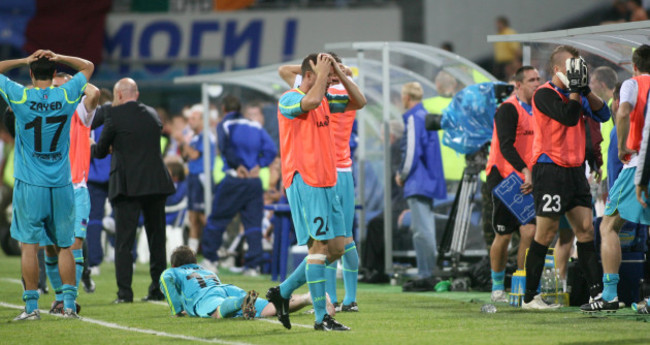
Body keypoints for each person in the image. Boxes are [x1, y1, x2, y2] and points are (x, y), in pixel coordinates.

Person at [267, 53, 366, 331]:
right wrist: (324, 74)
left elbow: (359, 101)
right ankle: (321, 317)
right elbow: (308, 102)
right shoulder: (289, 98)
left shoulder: (326, 100)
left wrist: (341, 74)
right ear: (309, 74)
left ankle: (284, 291)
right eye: (324, 73)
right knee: (318, 247)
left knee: (336, 248)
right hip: (304, 181)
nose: (329, 79)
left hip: (327, 181)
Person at [0, 49, 94, 320]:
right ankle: (67, 305)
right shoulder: (65, 94)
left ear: (31, 74)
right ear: (54, 74)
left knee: (29, 246)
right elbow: (88, 65)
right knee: (65, 246)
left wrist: (23, 60)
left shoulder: (20, 95)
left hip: (30, 184)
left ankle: (31, 308)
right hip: (62, 183)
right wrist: (60, 56)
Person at [523, 45, 610, 310]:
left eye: (579, 66)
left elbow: (604, 114)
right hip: (549, 169)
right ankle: (529, 297)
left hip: (574, 170)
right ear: (558, 69)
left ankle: (597, 295)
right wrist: (576, 90)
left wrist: (584, 89)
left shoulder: (577, 94)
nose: (577, 71)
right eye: (573, 66)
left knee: (584, 231)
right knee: (546, 232)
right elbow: (570, 118)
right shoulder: (543, 94)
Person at [91, 78, 176, 304]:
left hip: (128, 185)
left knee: (124, 242)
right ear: (136, 94)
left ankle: (125, 294)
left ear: (118, 95)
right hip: (156, 183)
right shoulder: (152, 114)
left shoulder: (113, 115)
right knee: (157, 240)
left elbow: (100, 151)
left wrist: (97, 146)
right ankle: (157, 290)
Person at [584, 45, 650, 312]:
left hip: (638, 162)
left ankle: (609, 294)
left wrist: (622, 145)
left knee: (609, 225)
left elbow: (623, 113)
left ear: (634, 66)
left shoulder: (633, 84)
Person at [41, 72, 100, 314]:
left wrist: (73, 81)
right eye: (53, 87)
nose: (56, 91)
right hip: (47, 188)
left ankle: (69, 302)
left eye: (61, 88)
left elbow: (94, 93)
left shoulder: (80, 112)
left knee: (74, 244)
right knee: (50, 248)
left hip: (76, 189)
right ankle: (58, 298)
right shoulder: (41, 111)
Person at [201, 95, 276, 274]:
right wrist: (260, 164)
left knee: (218, 220)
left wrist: (238, 166)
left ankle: (210, 259)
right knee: (253, 223)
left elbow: (224, 148)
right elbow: (272, 150)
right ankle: (253, 266)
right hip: (254, 181)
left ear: (224, 109)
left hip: (235, 179)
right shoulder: (255, 126)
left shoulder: (225, 124)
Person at [485, 66, 540, 303]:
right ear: (518, 84)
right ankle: (497, 286)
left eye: (539, 79)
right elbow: (506, 147)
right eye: (531, 80)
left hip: (529, 178)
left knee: (530, 231)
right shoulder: (508, 108)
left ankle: (523, 286)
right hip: (505, 177)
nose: (537, 84)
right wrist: (525, 170)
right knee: (504, 236)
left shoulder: (539, 109)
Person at [160, 246, 335, 320]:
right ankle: (307, 298)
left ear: (174, 264)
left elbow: (166, 280)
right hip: (226, 288)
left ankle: (240, 302)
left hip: (206, 297)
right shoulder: (205, 269)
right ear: (194, 261)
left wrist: (176, 310)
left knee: (218, 312)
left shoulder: (173, 271)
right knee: (269, 309)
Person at [395, 82, 446, 285]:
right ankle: (428, 272)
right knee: (425, 228)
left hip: (418, 181)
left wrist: (402, 174)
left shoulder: (414, 118)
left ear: (406, 98)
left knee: (422, 230)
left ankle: (427, 274)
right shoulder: (425, 115)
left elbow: (412, 152)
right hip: (429, 180)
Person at [176, 104, 215, 255]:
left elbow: (194, 155)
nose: (190, 121)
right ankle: (192, 253)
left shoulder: (206, 136)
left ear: (203, 120)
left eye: (194, 118)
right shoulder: (195, 137)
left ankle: (212, 250)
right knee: (193, 216)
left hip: (202, 179)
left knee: (203, 216)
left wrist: (183, 142)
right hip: (193, 178)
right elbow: (186, 156)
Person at [492, 16, 522, 81]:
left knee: (510, 79)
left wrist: (515, 61)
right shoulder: (498, 34)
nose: (497, 26)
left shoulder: (509, 33)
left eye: (499, 24)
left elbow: (516, 48)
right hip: (500, 63)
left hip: (509, 62)